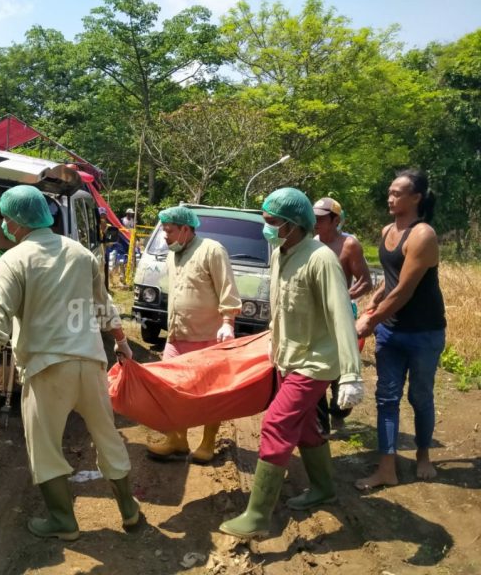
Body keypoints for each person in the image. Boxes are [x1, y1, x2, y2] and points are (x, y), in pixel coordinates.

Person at [0, 185, 139, 542]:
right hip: (90, 362)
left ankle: (62, 521)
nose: (5, 224)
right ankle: (130, 511)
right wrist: (121, 342)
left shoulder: (15, 259)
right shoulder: (80, 253)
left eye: (6, 218)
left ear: (17, 221)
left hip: (47, 367)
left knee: (46, 447)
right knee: (107, 437)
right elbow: (104, 305)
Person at [219, 187, 363, 540]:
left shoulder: (321, 259)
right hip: (289, 358)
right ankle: (323, 488)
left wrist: (350, 374)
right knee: (304, 428)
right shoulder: (281, 252)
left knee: (276, 425)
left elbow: (341, 315)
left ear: (295, 224)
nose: (266, 228)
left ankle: (257, 516)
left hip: (315, 361)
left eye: (272, 223)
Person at [354, 169, 446, 491]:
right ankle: (387, 469)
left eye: (397, 193)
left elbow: (405, 291)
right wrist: (377, 295)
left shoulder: (423, 235)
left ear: (416, 198)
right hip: (392, 331)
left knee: (420, 396)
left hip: (423, 332)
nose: (390, 198)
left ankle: (423, 454)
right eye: (390, 192)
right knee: (386, 398)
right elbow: (391, 278)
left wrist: (370, 320)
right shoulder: (386, 230)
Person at [146, 205, 242, 464]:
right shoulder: (173, 253)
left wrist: (227, 322)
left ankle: (207, 443)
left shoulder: (212, 250)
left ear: (185, 229)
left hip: (208, 337)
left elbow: (227, 289)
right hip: (177, 336)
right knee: (172, 389)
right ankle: (177, 439)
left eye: (169, 231)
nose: (164, 236)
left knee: (210, 393)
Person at [313, 197, 372, 435]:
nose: (315, 222)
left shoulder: (349, 245)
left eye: (321, 218)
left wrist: (344, 297)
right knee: (314, 367)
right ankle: (320, 424)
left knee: (337, 369)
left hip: (340, 315)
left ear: (335, 220)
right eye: (313, 218)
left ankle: (339, 411)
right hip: (316, 316)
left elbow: (366, 281)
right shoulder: (312, 243)